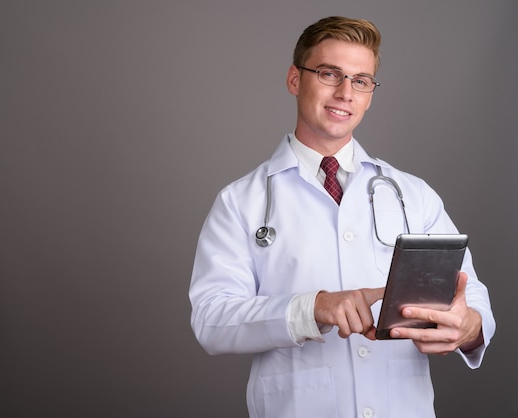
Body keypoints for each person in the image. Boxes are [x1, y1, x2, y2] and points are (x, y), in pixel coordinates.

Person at [188, 16, 495, 418]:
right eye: (330, 74)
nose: (345, 92)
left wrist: (468, 327)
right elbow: (211, 319)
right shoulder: (240, 201)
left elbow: (468, 294)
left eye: (361, 80)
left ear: (370, 93)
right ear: (295, 80)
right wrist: (309, 308)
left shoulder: (412, 194)